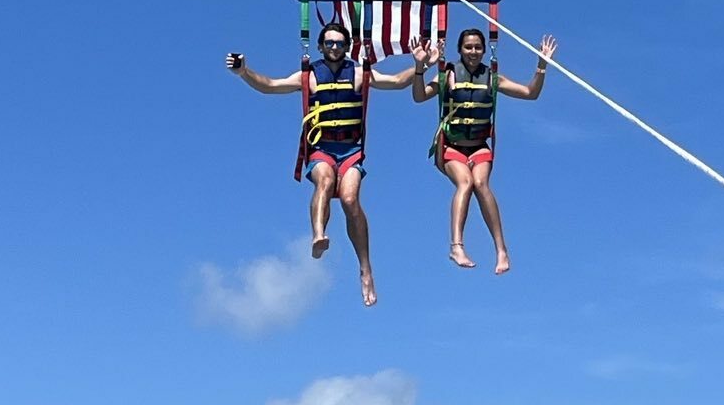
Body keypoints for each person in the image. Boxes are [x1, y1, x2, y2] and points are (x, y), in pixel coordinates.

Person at [225, 22, 414, 307]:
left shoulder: (361, 73)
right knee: (325, 181)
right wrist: (243, 72)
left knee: (350, 200)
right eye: (329, 43)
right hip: (321, 148)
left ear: (347, 46)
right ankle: (318, 234)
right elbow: (270, 86)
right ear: (320, 46)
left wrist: (422, 66)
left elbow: (398, 81)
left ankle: (365, 269)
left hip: (350, 150)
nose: (334, 48)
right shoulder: (309, 75)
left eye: (339, 43)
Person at [411, 28, 557, 274]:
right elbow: (419, 96)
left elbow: (530, 94)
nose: (473, 52)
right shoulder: (447, 75)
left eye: (478, 47)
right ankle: (456, 246)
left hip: (479, 147)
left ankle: (501, 250)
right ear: (460, 50)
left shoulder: (492, 77)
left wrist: (541, 66)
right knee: (466, 182)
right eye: (468, 47)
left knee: (481, 184)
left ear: (484, 50)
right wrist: (419, 68)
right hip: (450, 147)